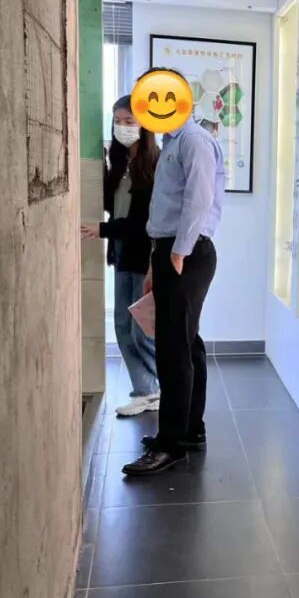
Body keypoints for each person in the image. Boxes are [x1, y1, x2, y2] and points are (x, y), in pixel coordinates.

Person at [123, 69, 226, 476]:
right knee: (186, 342)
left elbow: (199, 199)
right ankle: (190, 429)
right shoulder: (172, 142)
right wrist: (157, 260)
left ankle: (171, 445)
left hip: (188, 252)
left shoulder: (194, 141)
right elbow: (165, 210)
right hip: (171, 251)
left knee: (173, 349)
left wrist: (179, 252)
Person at [81, 96, 162, 417]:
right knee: (122, 325)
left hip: (146, 258)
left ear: (144, 126)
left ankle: (154, 389)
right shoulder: (119, 162)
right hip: (122, 255)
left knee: (141, 328)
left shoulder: (154, 164)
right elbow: (111, 205)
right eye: (117, 121)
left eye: (129, 121)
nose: (122, 127)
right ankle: (146, 390)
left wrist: (101, 229)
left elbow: (142, 223)